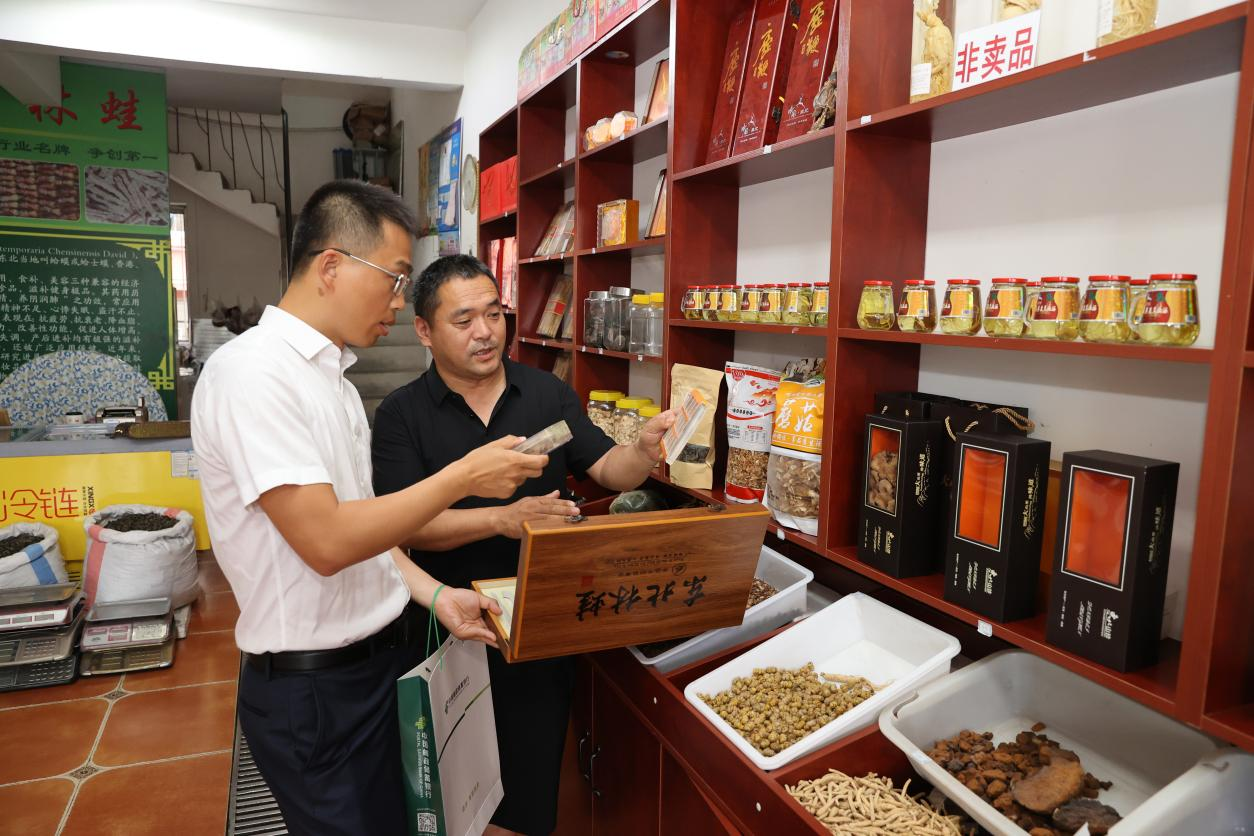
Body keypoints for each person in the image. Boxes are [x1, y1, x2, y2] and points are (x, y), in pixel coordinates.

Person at [191, 182, 549, 835]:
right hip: (315, 691)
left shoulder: (333, 382)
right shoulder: (252, 375)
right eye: (395, 278)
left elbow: (367, 527)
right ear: (331, 266)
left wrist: (434, 595)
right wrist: (464, 476)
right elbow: (328, 542)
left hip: (377, 668)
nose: (400, 301)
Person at [371, 254, 675, 835]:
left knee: (530, 784)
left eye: (494, 314)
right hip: (447, 624)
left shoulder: (546, 393)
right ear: (424, 331)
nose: (485, 332)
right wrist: (503, 519)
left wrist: (641, 451)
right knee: (452, 786)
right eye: (463, 320)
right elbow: (403, 527)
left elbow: (606, 467)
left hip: (538, 623)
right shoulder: (401, 415)